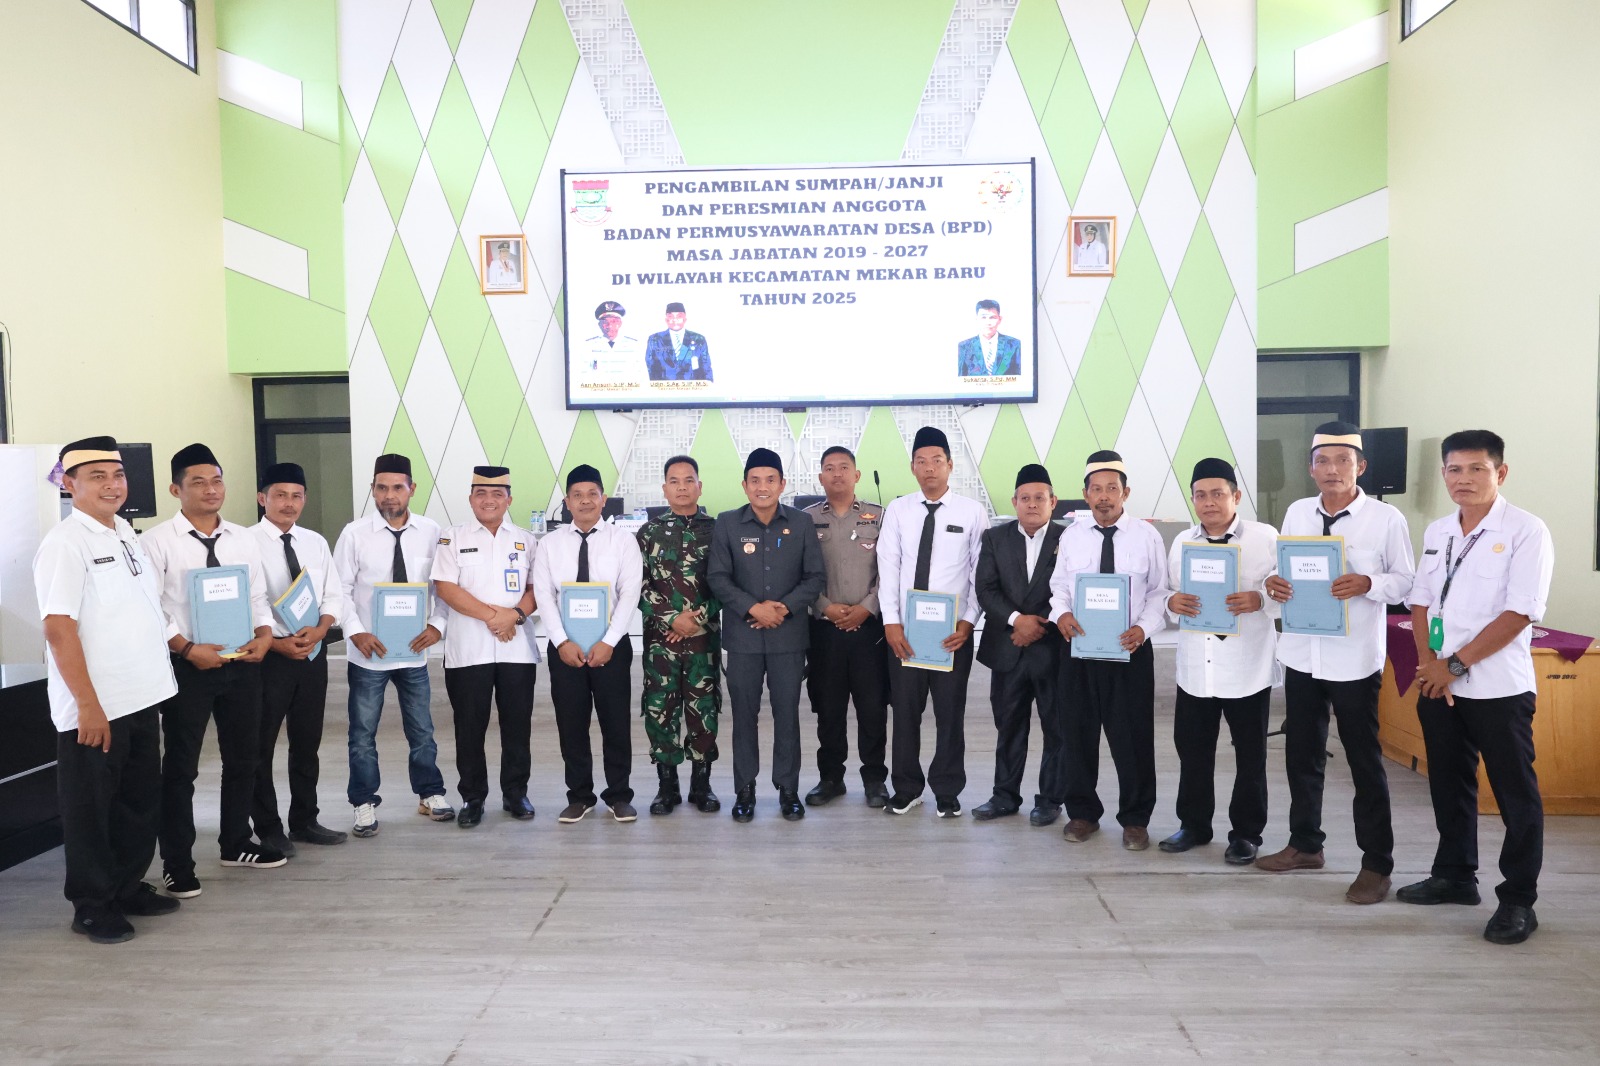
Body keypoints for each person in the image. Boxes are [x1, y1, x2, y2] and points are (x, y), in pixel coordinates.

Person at [1400, 430, 1553, 945]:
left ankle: (1518, 900)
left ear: (1500, 473)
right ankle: (1455, 875)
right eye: (1453, 469)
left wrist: (1454, 665)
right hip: (1440, 684)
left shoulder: (1526, 530)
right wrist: (1429, 664)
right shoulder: (1439, 530)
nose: (1462, 479)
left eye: (1476, 469)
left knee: (1514, 795)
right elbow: (1422, 601)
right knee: (1448, 783)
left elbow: (1520, 612)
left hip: (1498, 688)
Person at [1259, 422, 1414, 905]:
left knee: (1364, 761)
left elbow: (1406, 581)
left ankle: (1377, 864)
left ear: (1360, 466)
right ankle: (1306, 844)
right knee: (1301, 754)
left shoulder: (1386, 519)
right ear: (1310, 468)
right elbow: (1283, 568)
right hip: (1302, 653)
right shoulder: (1297, 512)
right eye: (1322, 461)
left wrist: (1369, 583)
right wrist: (1272, 582)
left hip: (1353, 659)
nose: (1332, 469)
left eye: (1343, 460)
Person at [34, 436, 179, 942]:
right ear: (69, 484)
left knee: (137, 803)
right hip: (97, 707)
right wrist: (88, 706)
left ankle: (126, 886)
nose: (112, 485)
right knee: (90, 811)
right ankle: (93, 905)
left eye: (117, 475)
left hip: (141, 694)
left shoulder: (125, 533)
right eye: (97, 477)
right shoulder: (65, 543)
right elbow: (58, 629)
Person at [142, 443, 281, 898]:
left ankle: (235, 842)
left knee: (244, 758)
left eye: (217, 480)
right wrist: (185, 648)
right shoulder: (156, 542)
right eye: (198, 482)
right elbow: (150, 607)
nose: (210, 489)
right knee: (181, 767)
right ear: (176, 489)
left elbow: (257, 595)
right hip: (188, 667)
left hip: (242, 663)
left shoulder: (243, 538)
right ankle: (177, 863)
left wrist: (265, 634)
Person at [1160, 458, 1278, 864]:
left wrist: (1260, 599)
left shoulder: (1265, 538)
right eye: (1200, 495)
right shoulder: (1181, 542)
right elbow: (1166, 592)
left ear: (1236, 496)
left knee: (1250, 756)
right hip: (1196, 669)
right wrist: (1171, 602)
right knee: (1193, 753)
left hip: (1247, 668)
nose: (1208, 502)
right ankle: (1193, 825)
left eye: (1217, 494)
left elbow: (1286, 591)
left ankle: (1246, 834)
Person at [1049, 450, 1168, 850]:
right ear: (1085, 494)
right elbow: (1059, 586)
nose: (1104, 496)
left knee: (1132, 738)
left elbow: (1159, 591)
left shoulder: (1147, 536)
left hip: (1129, 650)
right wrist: (1062, 614)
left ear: (1125, 493)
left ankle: (1135, 819)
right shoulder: (1071, 535)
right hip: (1079, 649)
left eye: (1112, 488)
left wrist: (1143, 629)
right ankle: (1082, 813)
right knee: (1077, 734)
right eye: (1096, 489)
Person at [332, 453, 453, 838]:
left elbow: (443, 587)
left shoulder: (431, 532)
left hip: (414, 652)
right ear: (372, 490)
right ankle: (363, 801)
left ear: (411, 489)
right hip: (368, 654)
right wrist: (355, 631)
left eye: (397, 487)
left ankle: (429, 793)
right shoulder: (354, 534)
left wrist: (437, 626)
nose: (389, 495)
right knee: (362, 734)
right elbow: (339, 590)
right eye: (381, 488)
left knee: (422, 730)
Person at [707, 447, 826, 823]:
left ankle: (788, 789)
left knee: (787, 714)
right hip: (742, 639)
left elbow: (815, 577)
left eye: (770, 480)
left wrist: (783, 608)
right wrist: (752, 608)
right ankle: (745, 790)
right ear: (744, 485)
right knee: (744, 715)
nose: (763, 487)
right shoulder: (727, 523)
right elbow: (718, 577)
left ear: (782, 484)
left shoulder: (801, 523)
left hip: (788, 637)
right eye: (755, 480)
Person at [878, 425, 986, 817]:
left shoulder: (972, 512)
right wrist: (891, 623)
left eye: (936, 461)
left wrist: (968, 622)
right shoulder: (899, 510)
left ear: (950, 465)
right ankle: (907, 788)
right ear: (912, 467)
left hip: (952, 633)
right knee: (905, 713)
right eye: (921, 462)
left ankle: (947, 789)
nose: (929, 469)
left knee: (949, 714)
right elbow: (888, 567)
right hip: (906, 632)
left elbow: (979, 574)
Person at [532, 464, 643, 823]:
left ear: (603, 499)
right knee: (571, 724)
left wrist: (609, 641)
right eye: (577, 495)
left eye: (592, 494)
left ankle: (619, 795)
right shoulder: (549, 545)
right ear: (567, 502)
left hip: (611, 647)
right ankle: (579, 796)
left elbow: (630, 594)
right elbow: (545, 597)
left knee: (616, 723)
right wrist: (561, 641)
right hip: (566, 649)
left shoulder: (622, 541)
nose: (585, 501)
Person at [431, 466, 539, 829]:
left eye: (497, 494)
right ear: (470, 498)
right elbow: (446, 588)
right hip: (468, 651)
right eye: (481, 493)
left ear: (509, 499)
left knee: (517, 726)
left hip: (517, 651)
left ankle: (515, 793)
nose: (488, 500)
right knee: (469, 728)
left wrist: (515, 617)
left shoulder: (526, 540)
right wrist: (497, 618)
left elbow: (537, 589)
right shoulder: (452, 537)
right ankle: (472, 798)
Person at [248, 462, 346, 856]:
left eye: (297, 496)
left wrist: (322, 629)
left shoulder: (315, 542)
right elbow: (246, 603)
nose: (289, 503)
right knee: (261, 746)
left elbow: (333, 594)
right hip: (269, 656)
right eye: (280, 495)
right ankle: (268, 827)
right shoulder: (245, 542)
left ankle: (305, 820)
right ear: (262, 498)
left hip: (312, 654)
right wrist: (276, 643)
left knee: (307, 742)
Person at [972, 463, 1065, 824]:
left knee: (1056, 728)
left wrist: (1037, 624)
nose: (1032, 504)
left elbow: (1071, 588)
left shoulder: (1068, 538)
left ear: (1052, 501)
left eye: (1039, 498)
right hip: (1007, 646)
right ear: (1014, 502)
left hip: (1052, 648)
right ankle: (1004, 796)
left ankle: (1050, 800)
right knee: (1009, 725)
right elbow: (985, 588)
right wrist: (1017, 620)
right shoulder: (995, 538)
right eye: (1024, 498)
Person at [801, 446, 890, 808]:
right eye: (829, 468)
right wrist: (825, 607)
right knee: (829, 708)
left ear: (856, 475)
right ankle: (831, 778)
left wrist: (867, 609)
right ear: (820, 477)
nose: (837, 474)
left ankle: (875, 779)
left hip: (869, 630)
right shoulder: (805, 520)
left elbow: (891, 570)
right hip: (824, 630)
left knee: (873, 708)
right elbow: (799, 573)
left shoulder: (880, 516)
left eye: (844, 467)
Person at [637, 455, 722, 815]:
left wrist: (696, 619)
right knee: (660, 710)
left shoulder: (719, 530)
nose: (682, 487)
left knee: (703, 709)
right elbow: (638, 585)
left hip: (703, 640)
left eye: (689, 480)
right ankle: (666, 786)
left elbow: (727, 583)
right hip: (661, 642)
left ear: (699, 486)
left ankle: (701, 785)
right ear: (665, 488)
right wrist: (672, 619)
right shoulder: (648, 533)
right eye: (675, 481)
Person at [644, 302, 713, 381]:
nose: (675, 320)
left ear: (685, 319)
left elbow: (706, 367)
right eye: (671, 317)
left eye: (679, 316)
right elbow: (650, 366)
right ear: (666, 320)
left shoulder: (698, 339)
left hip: (692, 386)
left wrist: (708, 385)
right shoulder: (655, 339)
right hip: (664, 386)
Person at [956, 299, 1021, 377]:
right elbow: (960, 379)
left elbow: (1019, 378)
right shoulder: (964, 346)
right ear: (976, 319)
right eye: (983, 317)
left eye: (992, 317)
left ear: (1000, 319)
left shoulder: (1014, 345)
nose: (988, 322)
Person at [582, 300, 639, 380]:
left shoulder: (633, 346)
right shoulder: (588, 346)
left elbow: (640, 375)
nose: (609, 325)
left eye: (613, 321)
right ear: (599, 325)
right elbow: (583, 375)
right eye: (605, 322)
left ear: (620, 323)